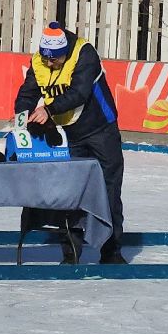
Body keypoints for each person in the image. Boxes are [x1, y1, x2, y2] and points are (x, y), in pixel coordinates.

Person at [15, 21, 128, 262]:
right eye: (46, 59)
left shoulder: (84, 53)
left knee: (108, 190)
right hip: (70, 133)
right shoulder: (40, 61)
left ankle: (111, 251)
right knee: (71, 194)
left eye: (54, 60)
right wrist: (21, 116)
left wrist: (49, 109)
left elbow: (79, 93)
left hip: (101, 130)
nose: (49, 64)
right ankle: (70, 253)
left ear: (64, 54)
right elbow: (27, 93)